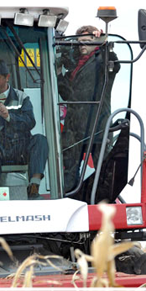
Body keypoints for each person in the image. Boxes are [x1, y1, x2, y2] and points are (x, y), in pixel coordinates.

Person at [57, 26, 120, 192]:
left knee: (102, 171)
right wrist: (57, 75)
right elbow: (67, 95)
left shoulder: (101, 62)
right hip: (74, 128)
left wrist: (105, 45)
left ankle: (102, 204)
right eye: (79, 42)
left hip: (97, 125)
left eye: (87, 41)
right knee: (69, 173)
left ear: (96, 44)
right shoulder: (74, 68)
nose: (81, 45)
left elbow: (115, 65)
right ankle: (69, 200)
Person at [0, 59, 48, 198]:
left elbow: (30, 122)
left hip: (20, 147)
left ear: (7, 77)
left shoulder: (22, 97)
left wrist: (9, 116)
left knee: (40, 140)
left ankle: (34, 187)